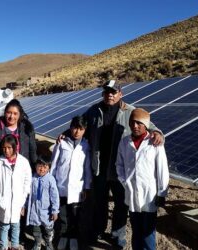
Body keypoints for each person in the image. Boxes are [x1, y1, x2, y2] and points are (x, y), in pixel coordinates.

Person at [58, 80, 164, 248]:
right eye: (107, 91)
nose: (110, 94)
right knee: (99, 202)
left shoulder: (130, 111)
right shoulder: (94, 110)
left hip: (121, 168)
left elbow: (149, 125)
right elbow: (80, 124)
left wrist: (158, 133)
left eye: (114, 92)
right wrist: (65, 134)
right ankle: (99, 229)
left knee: (121, 204)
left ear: (120, 93)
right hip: (98, 166)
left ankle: (117, 235)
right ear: (103, 93)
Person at [116, 108, 169, 250]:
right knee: (136, 229)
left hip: (149, 195)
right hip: (132, 193)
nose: (135, 126)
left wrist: (162, 193)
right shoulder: (125, 142)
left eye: (139, 123)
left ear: (146, 125)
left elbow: (162, 169)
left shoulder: (154, 143)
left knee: (148, 231)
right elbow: (119, 165)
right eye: (132, 122)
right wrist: (124, 181)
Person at [0, 99, 37, 244]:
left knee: (19, 200)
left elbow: (32, 148)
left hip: (21, 169)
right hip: (2, 169)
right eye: (9, 112)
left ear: (19, 115)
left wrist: (34, 167)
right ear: (5, 112)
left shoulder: (26, 127)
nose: (11, 116)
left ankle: (19, 234)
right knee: (2, 200)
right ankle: (2, 232)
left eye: (15, 113)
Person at [51, 115, 92, 250]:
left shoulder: (85, 146)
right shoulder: (61, 143)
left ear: (85, 130)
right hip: (61, 187)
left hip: (77, 188)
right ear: (70, 127)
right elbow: (54, 165)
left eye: (81, 129)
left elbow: (86, 168)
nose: (77, 132)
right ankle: (63, 236)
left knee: (75, 216)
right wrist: (52, 184)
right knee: (62, 215)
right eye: (75, 128)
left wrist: (86, 187)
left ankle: (73, 236)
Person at [0, 134, 32, 250]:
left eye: (9, 148)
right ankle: (3, 246)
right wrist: (0, 199)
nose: (6, 150)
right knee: (4, 226)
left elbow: (28, 181)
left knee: (16, 225)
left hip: (18, 200)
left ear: (15, 147)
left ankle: (15, 246)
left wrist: (23, 199)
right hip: (4, 201)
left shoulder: (23, 162)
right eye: (4, 148)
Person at [26, 156, 60, 250]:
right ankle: (37, 243)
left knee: (48, 230)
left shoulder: (50, 179)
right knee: (36, 229)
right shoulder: (32, 178)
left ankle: (48, 243)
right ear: (36, 166)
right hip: (35, 210)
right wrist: (24, 206)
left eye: (45, 167)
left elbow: (55, 196)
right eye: (40, 166)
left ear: (49, 168)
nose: (42, 169)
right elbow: (28, 194)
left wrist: (55, 210)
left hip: (47, 211)